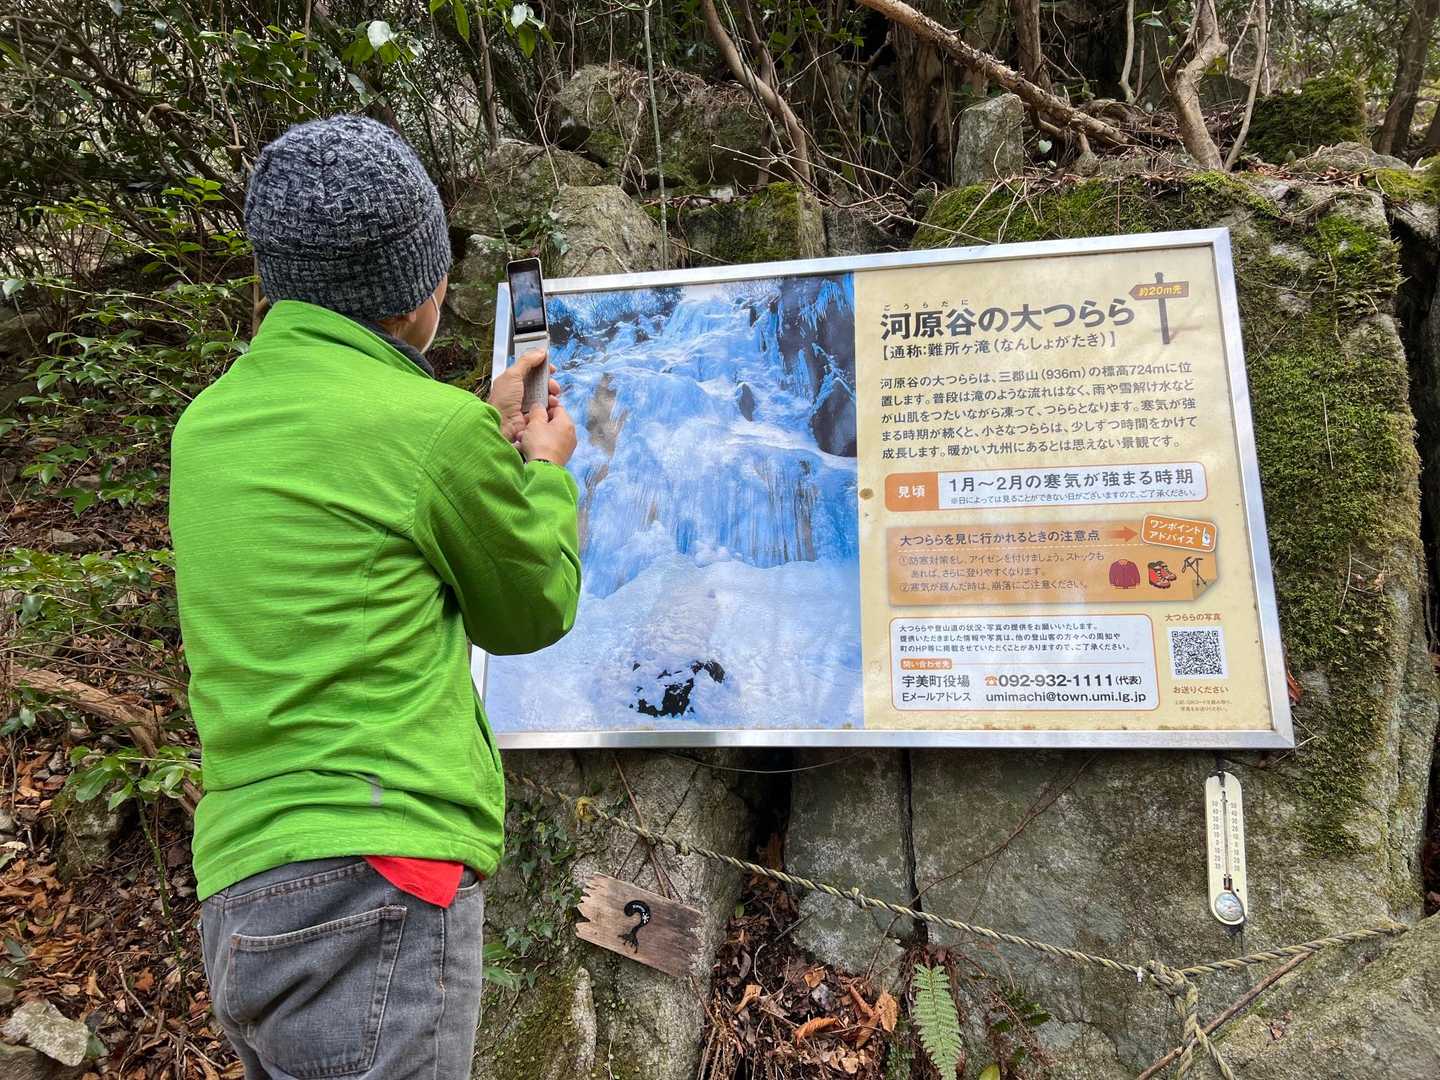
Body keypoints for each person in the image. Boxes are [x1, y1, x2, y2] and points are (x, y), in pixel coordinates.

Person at [169, 114, 580, 1079]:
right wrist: (544, 470)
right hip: (381, 878)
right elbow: (532, 606)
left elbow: (348, 496)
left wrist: (467, 428)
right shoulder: (433, 433)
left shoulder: (204, 428)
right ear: (416, 290)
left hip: (241, 895)